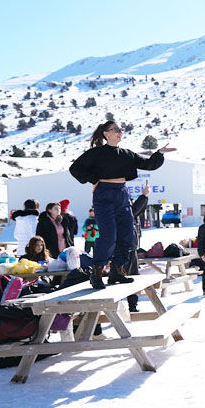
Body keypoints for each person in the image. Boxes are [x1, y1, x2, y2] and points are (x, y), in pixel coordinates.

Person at [69, 120, 175, 289]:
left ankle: (117, 272)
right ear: (106, 133)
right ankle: (96, 273)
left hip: (122, 193)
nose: (120, 132)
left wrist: (160, 152)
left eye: (121, 129)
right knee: (109, 235)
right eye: (115, 129)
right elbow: (75, 169)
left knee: (127, 234)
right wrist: (94, 179)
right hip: (104, 194)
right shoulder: (96, 153)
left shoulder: (126, 154)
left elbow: (148, 164)